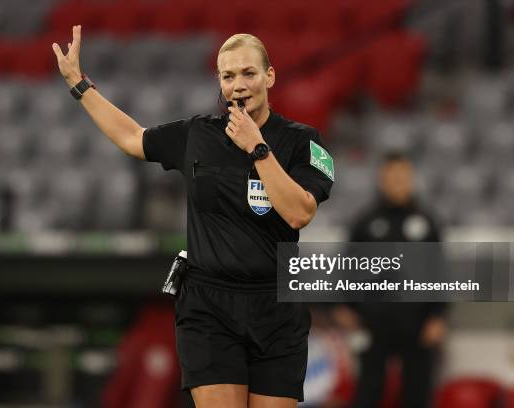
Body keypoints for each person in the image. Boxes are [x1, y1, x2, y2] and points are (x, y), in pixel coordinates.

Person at [52, 27, 334, 408]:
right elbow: (133, 138)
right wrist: (79, 85)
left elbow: (300, 212)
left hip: (277, 307)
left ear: (269, 76)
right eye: (228, 75)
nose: (238, 84)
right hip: (208, 306)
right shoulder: (197, 135)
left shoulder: (304, 142)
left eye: (248, 73)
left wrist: (257, 148)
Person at [335, 152, 447, 408]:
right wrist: (345, 306)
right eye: (391, 177)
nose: (397, 182)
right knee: (368, 390)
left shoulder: (427, 223)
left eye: (402, 177)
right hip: (373, 321)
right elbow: (348, 267)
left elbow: (438, 271)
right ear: (381, 180)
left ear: (411, 180)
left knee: (417, 393)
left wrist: (438, 316)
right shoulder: (365, 222)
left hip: (418, 323)